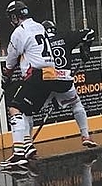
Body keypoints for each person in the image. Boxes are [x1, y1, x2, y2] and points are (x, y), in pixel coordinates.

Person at [0, 1, 73, 169]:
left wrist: (7, 76)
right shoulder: (39, 26)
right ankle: (27, 147)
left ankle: (18, 154)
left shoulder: (20, 31)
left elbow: (11, 58)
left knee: (14, 108)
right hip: (51, 75)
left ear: (14, 17)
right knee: (25, 111)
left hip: (37, 75)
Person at [36, 20, 98, 148]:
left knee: (28, 112)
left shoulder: (39, 43)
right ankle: (85, 135)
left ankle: (26, 143)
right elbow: (90, 32)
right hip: (64, 81)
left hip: (45, 81)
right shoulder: (65, 37)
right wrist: (85, 47)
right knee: (76, 104)